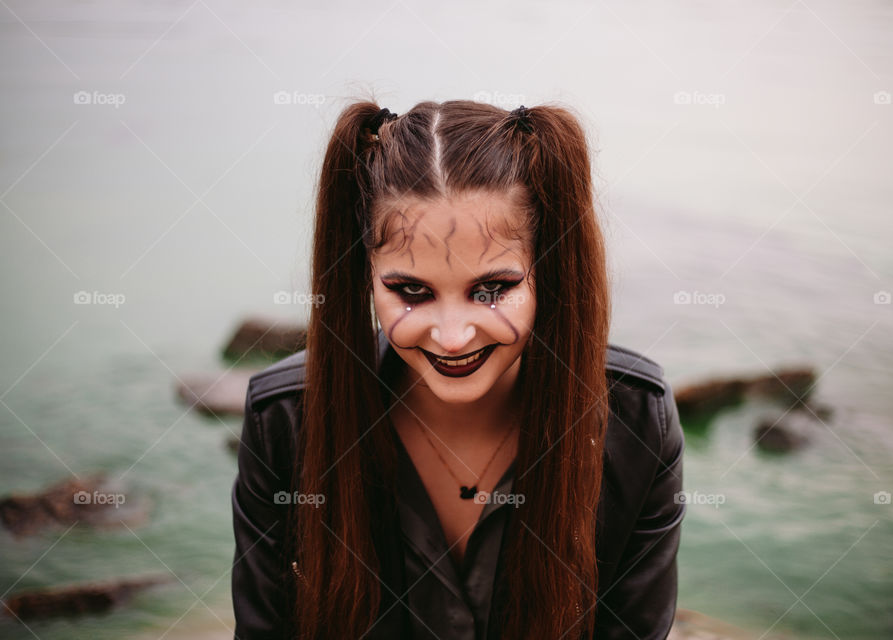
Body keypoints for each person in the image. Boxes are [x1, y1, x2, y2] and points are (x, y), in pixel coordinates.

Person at [230, 99, 686, 640]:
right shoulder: (283, 421)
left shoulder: (636, 420)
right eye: (411, 291)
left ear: (550, 268)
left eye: (493, 290)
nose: (453, 337)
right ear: (364, 272)